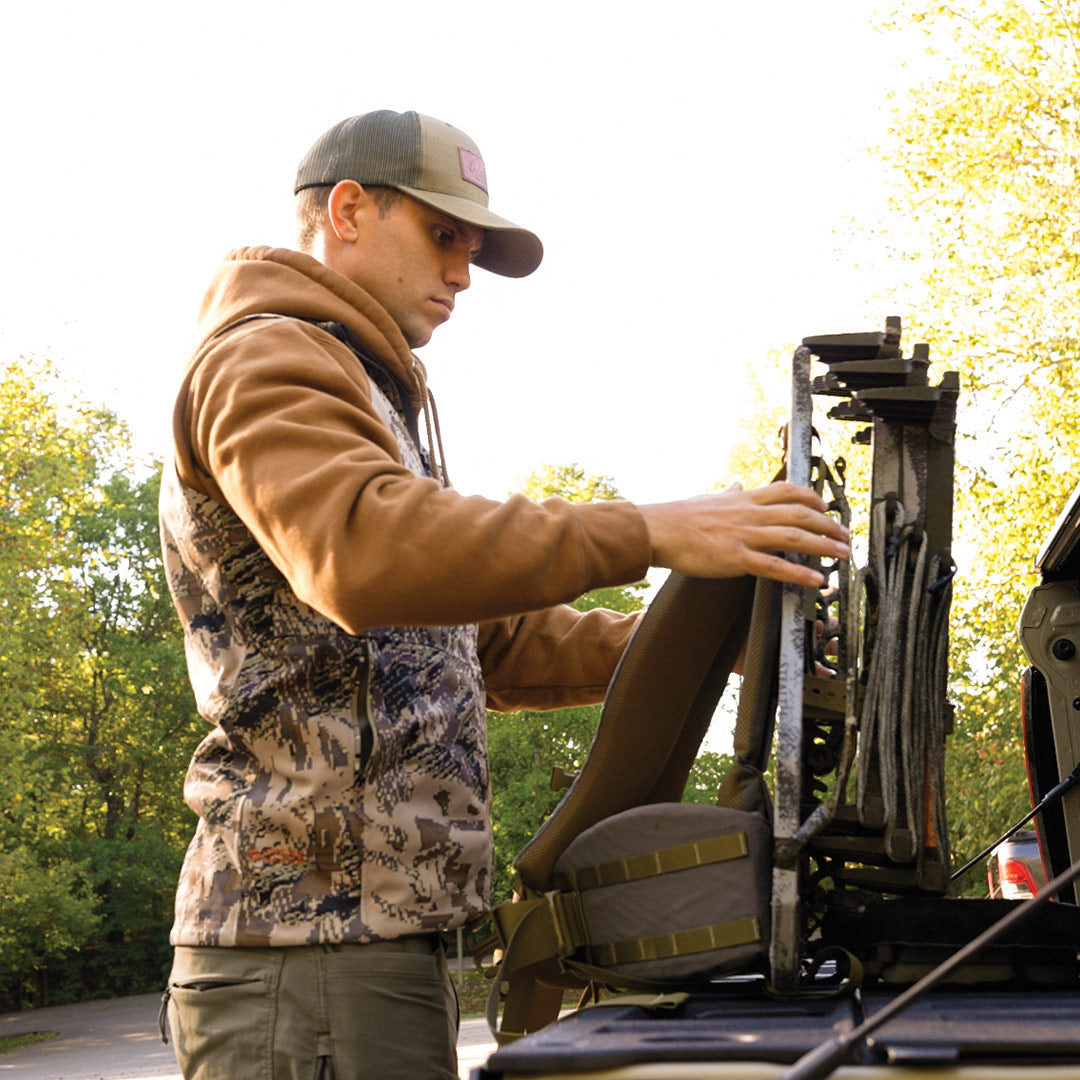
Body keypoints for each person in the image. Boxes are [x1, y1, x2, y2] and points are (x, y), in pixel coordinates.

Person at [159, 109, 849, 1080]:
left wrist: (716, 644)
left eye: (473, 247)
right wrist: (650, 530)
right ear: (349, 209)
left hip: (370, 947)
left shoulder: (365, 390)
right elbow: (360, 553)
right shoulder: (262, 358)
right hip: (302, 952)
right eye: (444, 236)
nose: (462, 274)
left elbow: (494, 647)